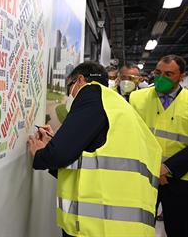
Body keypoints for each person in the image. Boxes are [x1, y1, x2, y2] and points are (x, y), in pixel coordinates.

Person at [28, 61, 161, 237]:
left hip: (97, 226)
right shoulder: (112, 104)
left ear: (80, 80)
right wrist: (55, 141)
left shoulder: (90, 94)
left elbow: (59, 155)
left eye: (69, 88)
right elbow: (91, 158)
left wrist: (41, 153)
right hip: (121, 223)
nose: (69, 94)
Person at [130, 55, 188, 236]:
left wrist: (168, 168)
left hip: (180, 179)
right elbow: (132, 137)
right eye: (158, 73)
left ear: (182, 76)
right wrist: (155, 168)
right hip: (144, 175)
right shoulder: (136, 98)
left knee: (178, 228)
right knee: (137, 227)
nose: (161, 78)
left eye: (168, 74)